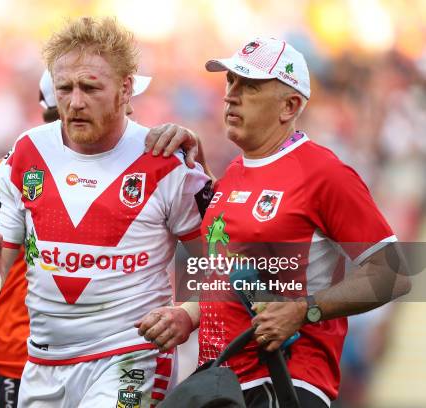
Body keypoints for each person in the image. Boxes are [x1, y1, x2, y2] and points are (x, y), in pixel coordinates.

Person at [137, 37, 410, 407]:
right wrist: (187, 315)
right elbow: (234, 278)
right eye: (230, 82)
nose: (231, 96)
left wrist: (304, 310)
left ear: (290, 106)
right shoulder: (233, 173)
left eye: (249, 86)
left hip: (286, 382)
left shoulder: (325, 173)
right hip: (220, 379)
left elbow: (393, 272)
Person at [0, 17, 211, 407]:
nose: (75, 101)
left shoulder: (163, 160)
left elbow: (219, 264)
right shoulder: (26, 154)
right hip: (43, 362)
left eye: (90, 88)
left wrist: (189, 314)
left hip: (131, 357)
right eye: (65, 88)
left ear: (126, 88)